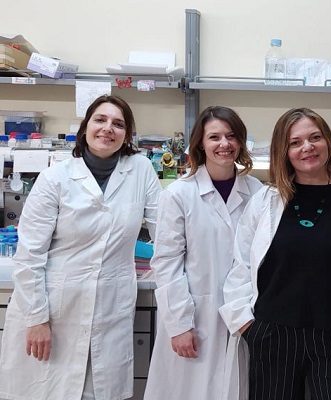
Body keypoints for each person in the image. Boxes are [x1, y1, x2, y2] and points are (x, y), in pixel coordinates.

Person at [219, 107, 331, 400]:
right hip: (272, 339)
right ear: (283, 151)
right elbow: (242, 264)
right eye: (295, 142)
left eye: (315, 137)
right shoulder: (265, 200)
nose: (307, 147)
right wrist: (247, 327)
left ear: (328, 141)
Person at [0, 95, 161, 400]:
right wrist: (37, 319)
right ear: (86, 126)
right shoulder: (55, 178)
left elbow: (163, 232)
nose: (108, 129)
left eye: (118, 124)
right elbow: (30, 255)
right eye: (100, 120)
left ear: (127, 134)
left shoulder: (140, 170)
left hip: (110, 308)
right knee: (49, 392)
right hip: (54, 310)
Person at [144, 106, 262, 400]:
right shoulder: (179, 194)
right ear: (200, 143)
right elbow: (167, 264)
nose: (224, 144)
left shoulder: (257, 191)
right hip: (195, 317)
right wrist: (179, 325)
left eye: (231, 136)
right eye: (214, 137)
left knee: (236, 388)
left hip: (244, 316)